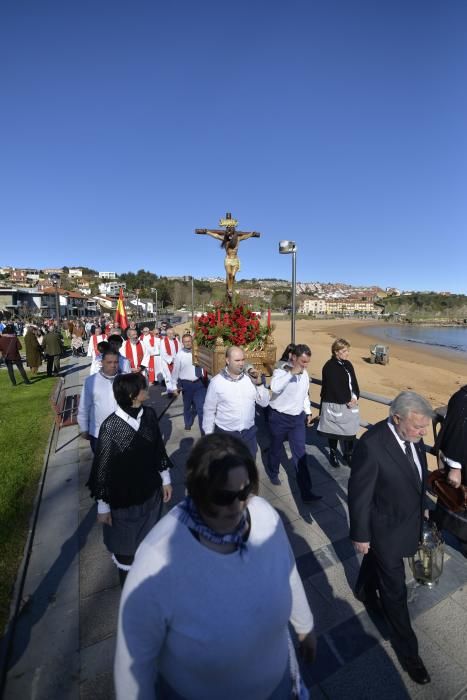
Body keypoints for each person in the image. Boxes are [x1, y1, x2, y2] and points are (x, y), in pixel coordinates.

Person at [114, 433, 316, 699]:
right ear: (197, 490)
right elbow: (133, 664)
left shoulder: (265, 516)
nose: (238, 505)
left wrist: (305, 626)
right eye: (223, 496)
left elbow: (288, 571)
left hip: (277, 686)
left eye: (245, 492)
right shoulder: (156, 560)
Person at [348, 391, 433, 685]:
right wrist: (360, 534)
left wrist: (422, 509)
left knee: (376, 567)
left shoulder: (414, 438)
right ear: (397, 418)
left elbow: (418, 477)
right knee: (395, 592)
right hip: (384, 529)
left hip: (408, 520)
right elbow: (359, 495)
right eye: (418, 427)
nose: (423, 433)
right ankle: (410, 654)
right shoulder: (371, 446)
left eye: (425, 427)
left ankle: (362, 588)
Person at [87, 372, 173, 587]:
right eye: (145, 387)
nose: (148, 390)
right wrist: (103, 507)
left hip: (150, 493)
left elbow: (158, 450)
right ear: (134, 394)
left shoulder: (150, 415)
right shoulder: (111, 427)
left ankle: (148, 582)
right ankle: (129, 590)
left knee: (148, 542)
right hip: (123, 501)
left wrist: (166, 479)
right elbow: (102, 471)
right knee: (126, 551)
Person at [267, 344, 320, 502]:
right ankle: (273, 471)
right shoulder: (281, 371)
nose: (305, 365)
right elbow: (274, 387)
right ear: (294, 358)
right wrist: (291, 373)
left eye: (307, 362)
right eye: (303, 361)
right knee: (276, 448)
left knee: (300, 454)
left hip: (297, 419)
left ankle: (306, 492)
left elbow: (304, 395)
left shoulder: (305, 374)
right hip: (279, 418)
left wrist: (308, 411)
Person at [202, 346, 269, 457]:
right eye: (237, 360)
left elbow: (264, 403)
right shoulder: (216, 382)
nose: (241, 363)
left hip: (249, 435)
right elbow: (209, 411)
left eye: (243, 360)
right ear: (227, 360)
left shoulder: (250, 379)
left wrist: (259, 385)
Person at [432, 384, 467, 557]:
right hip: (461, 465)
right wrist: (455, 467)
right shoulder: (463, 398)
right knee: (455, 499)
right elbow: (455, 432)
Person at [317, 338, 360, 467]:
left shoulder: (348, 364)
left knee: (351, 431)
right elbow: (332, 387)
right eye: (344, 350)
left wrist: (354, 397)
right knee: (334, 431)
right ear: (336, 352)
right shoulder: (329, 367)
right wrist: (346, 399)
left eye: (348, 350)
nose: (347, 353)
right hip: (335, 403)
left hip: (349, 403)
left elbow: (353, 383)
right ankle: (333, 454)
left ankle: (349, 454)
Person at [78, 349, 120, 453]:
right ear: (102, 363)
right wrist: (84, 428)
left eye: (116, 362)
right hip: (99, 433)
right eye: (109, 362)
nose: (113, 365)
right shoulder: (91, 381)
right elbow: (84, 406)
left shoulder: (123, 379)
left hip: (121, 432)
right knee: (102, 466)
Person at [172, 332, 207, 432]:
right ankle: (188, 423)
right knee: (187, 406)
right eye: (185, 342)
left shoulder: (198, 352)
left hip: (199, 384)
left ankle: (203, 430)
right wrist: (175, 386)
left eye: (189, 341)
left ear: (192, 342)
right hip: (186, 385)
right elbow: (175, 371)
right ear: (182, 343)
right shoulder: (179, 355)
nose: (188, 343)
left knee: (201, 408)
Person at [160, 327, 180, 396]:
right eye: (171, 334)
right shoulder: (163, 341)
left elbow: (179, 349)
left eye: (173, 333)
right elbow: (163, 353)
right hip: (167, 362)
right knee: (168, 376)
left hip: (175, 360)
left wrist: (177, 358)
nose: (173, 335)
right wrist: (171, 360)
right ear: (167, 334)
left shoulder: (176, 340)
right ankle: (170, 390)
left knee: (175, 375)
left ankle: (174, 388)